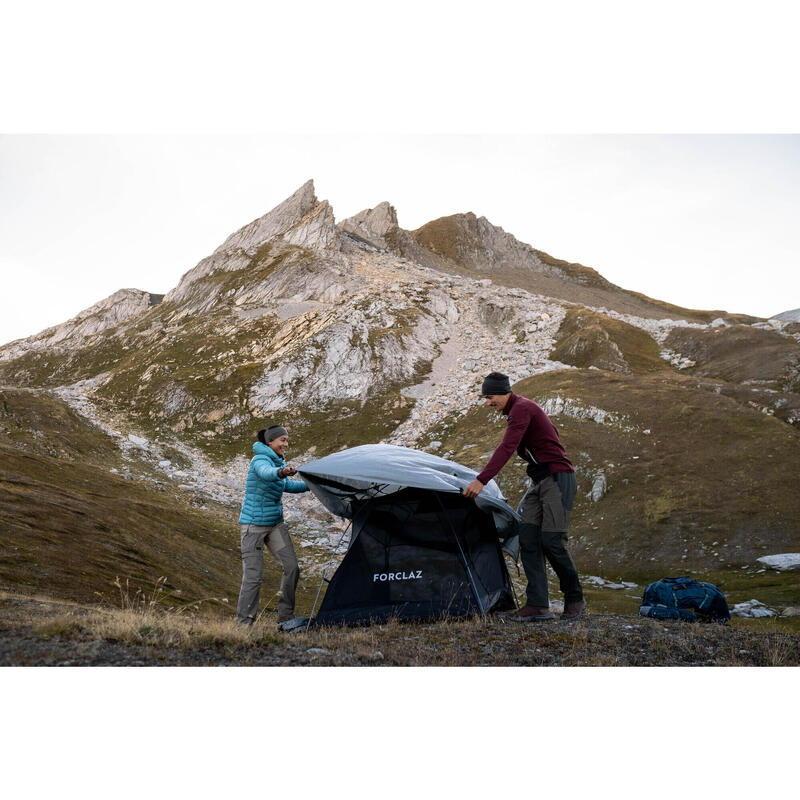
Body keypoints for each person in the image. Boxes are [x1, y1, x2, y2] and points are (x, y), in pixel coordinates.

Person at [463, 372, 586, 622]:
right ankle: (538, 605)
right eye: (485, 398)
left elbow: (507, 447)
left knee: (552, 541)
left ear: (505, 392)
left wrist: (481, 480)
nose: (488, 402)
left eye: (490, 396)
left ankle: (575, 598)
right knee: (527, 537)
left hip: (558, 479)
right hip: (540, 481)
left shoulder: (522, 408)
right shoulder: (519, 410)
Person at [236, 424, 309, 626]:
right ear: (270, 442)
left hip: (275, 525)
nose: (286, 444)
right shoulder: (260, 460)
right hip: (253, 528)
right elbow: (268, 473)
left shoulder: (278, 461)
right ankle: (243, 626)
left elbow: (287, 485)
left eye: (287, 440)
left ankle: (285, 618)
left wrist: (312, 485)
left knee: (292, 567)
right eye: (282, 440)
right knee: (253, 578)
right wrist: (282, 472)